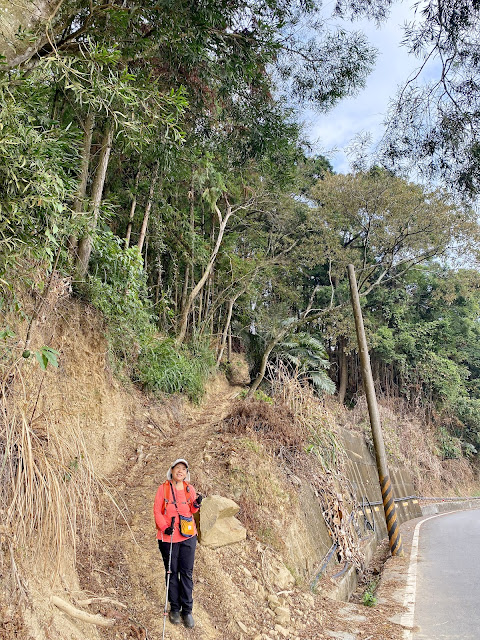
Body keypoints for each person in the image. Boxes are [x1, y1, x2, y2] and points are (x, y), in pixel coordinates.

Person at [153, 458, 203, 629]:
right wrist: (164, 527)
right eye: (177, 468)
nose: (180, 471)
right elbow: (157, 510)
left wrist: (196, 504)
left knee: (187, 573)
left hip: (188, 536)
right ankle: (175, 608)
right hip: (169, 537)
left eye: (184, 469)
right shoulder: (163, 489)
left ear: (186, 473)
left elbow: (192, 510)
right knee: (171, 572)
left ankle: (187, 610)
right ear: (171, 471)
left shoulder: (190, 489)